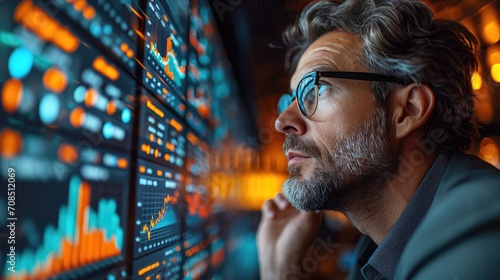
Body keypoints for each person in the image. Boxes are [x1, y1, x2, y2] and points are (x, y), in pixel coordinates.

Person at [256, 0, 500, 279]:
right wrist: (281, 271)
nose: (281, 121)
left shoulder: (473, 226)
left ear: (408, 110)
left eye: (316, 90)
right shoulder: (375, 251)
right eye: (291, 98)